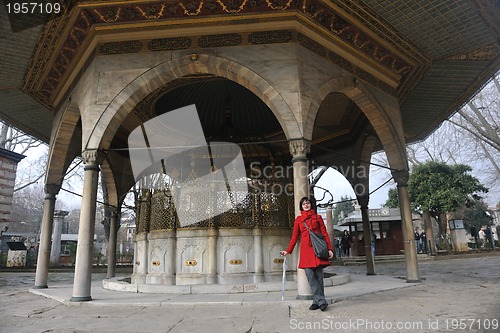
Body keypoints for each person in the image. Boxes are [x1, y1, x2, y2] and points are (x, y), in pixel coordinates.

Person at [280, 197, 333, 311]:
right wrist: (288, 250)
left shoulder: (318, 218)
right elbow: (294, 237)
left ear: (311, 205)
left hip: (318, 250)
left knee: (319, 277)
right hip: (306, 252)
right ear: (301, 206)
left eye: (307, 203)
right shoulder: (299, 220)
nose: (306, 205)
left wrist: (330, 249)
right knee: (311, 277)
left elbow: (324, 234)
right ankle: (321, 301)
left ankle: (317, 301)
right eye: (303, 203)